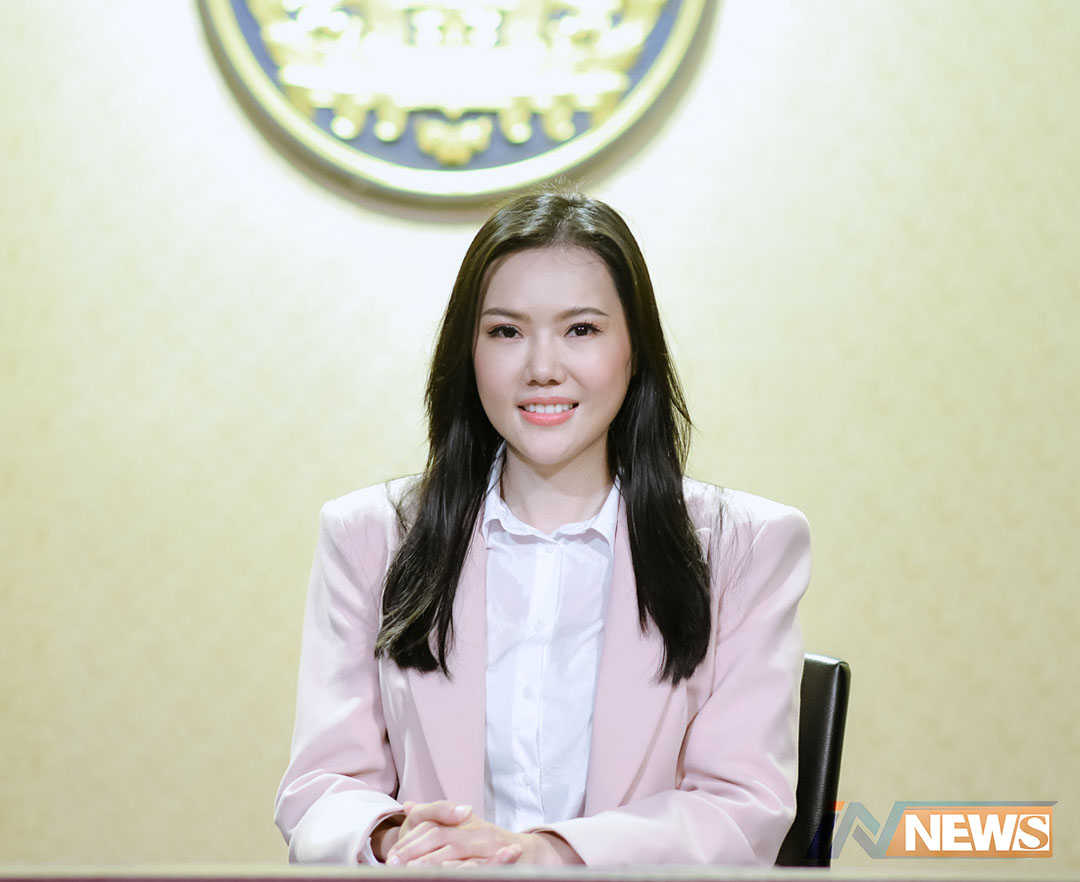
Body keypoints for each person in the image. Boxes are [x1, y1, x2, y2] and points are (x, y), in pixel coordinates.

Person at [273, 189, 811, 867]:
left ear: (634, 350)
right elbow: (321, 788)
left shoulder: (746, 548)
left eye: (581, 330)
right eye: (506, 332)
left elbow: (740, 809)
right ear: (468, 353)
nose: (543, 369)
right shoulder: (370, 535)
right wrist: (393, 839)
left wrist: (545, 855)